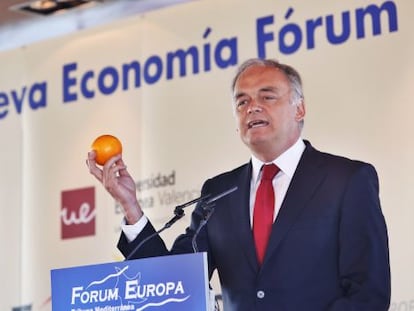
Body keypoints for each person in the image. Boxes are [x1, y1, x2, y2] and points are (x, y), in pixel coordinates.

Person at [87, 58, 391, 310]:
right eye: (242, 101)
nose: (252, 107)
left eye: (267, 96)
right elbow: (171, 283)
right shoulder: (219, 193)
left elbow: (368, 294)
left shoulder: (346, 179)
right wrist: (130, 206)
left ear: (299, 108)